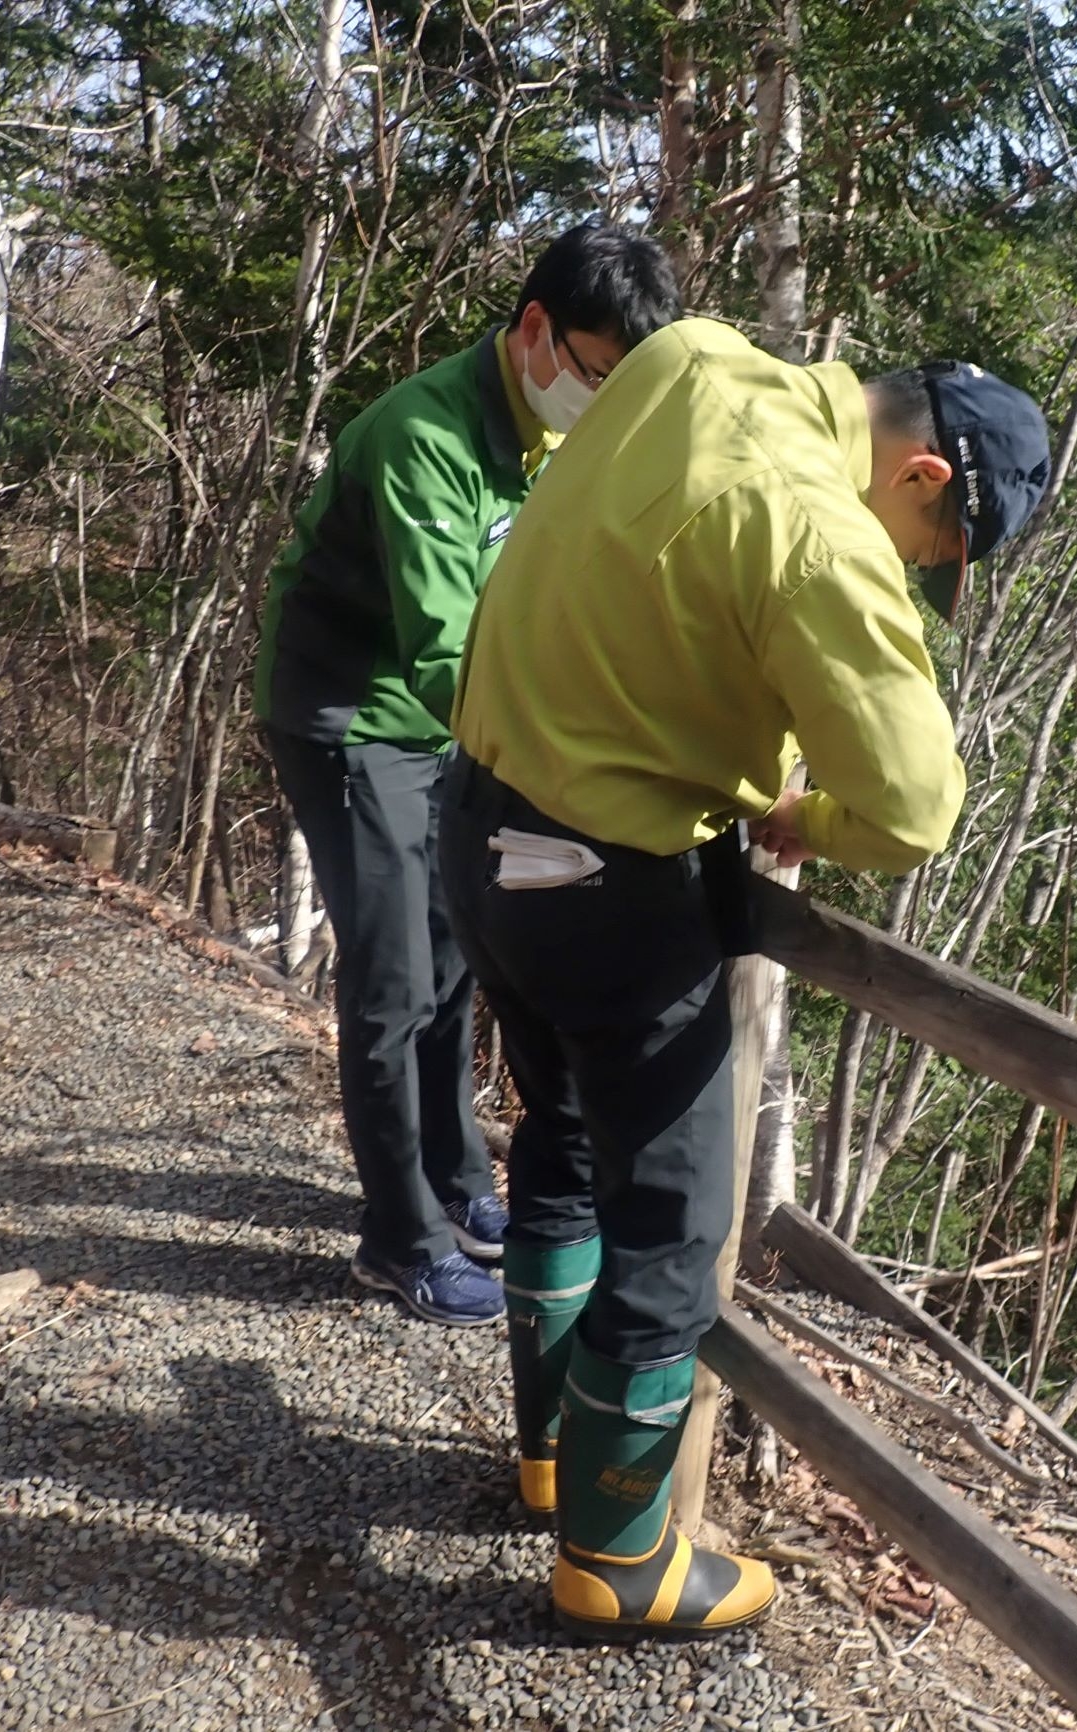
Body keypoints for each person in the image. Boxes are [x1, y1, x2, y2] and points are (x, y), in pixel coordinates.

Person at [439, 317, 1050, 1636]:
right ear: (924, 480)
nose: (914, 572)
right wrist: (798, 822)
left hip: (479, 828)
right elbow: (911, 807)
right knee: (673, 1222)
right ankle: (615, 1559)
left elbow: (644, 589)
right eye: (933, 557)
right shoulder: (825, 534)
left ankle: (553, 1457)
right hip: (606, 881)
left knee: (557, 1137)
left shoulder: (691, 359)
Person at [254, 221, 681, 1327]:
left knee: (454, 955)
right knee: (392, 980)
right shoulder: (423, 437)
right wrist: (577, 767)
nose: (601, 399)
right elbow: (449, 651)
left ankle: (455, 1181)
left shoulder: (556, 434)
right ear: (535, 332)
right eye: (594, 373)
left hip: (458, 724)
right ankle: (396, 1238)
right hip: (356, 718)